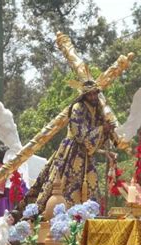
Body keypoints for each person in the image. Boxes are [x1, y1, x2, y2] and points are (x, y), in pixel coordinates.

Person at [21, 80, 118, 212]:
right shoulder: (78, 107)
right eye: (90, 94)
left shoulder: (99, 109)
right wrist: (101, 129)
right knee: (65, 185)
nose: (93, 97)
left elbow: (101, 134)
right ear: (84, 95)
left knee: (92, 186)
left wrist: (108, 131)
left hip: (87, 156)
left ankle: (89, 217)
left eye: (95, 94)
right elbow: (80, 133)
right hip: (71, 152)